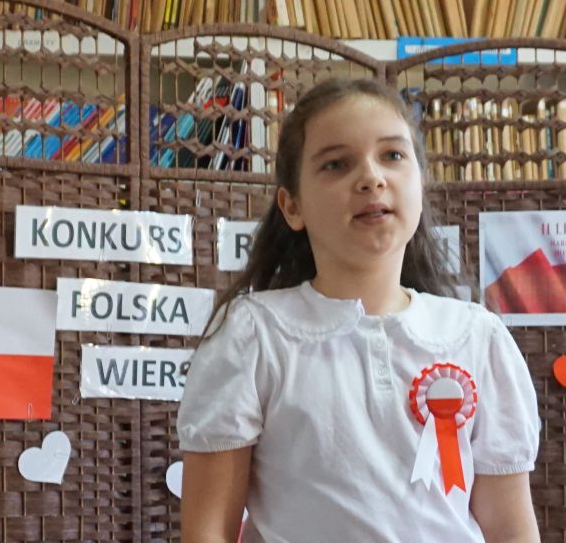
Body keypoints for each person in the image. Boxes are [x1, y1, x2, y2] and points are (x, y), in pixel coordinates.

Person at [177, 78, 541, 542]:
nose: (371, 177)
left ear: (420, 183)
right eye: (336, 164)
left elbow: (511, 530)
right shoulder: (255, 336)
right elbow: (208, 531)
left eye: (393, 155)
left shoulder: (477, 336)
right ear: (292, 206)